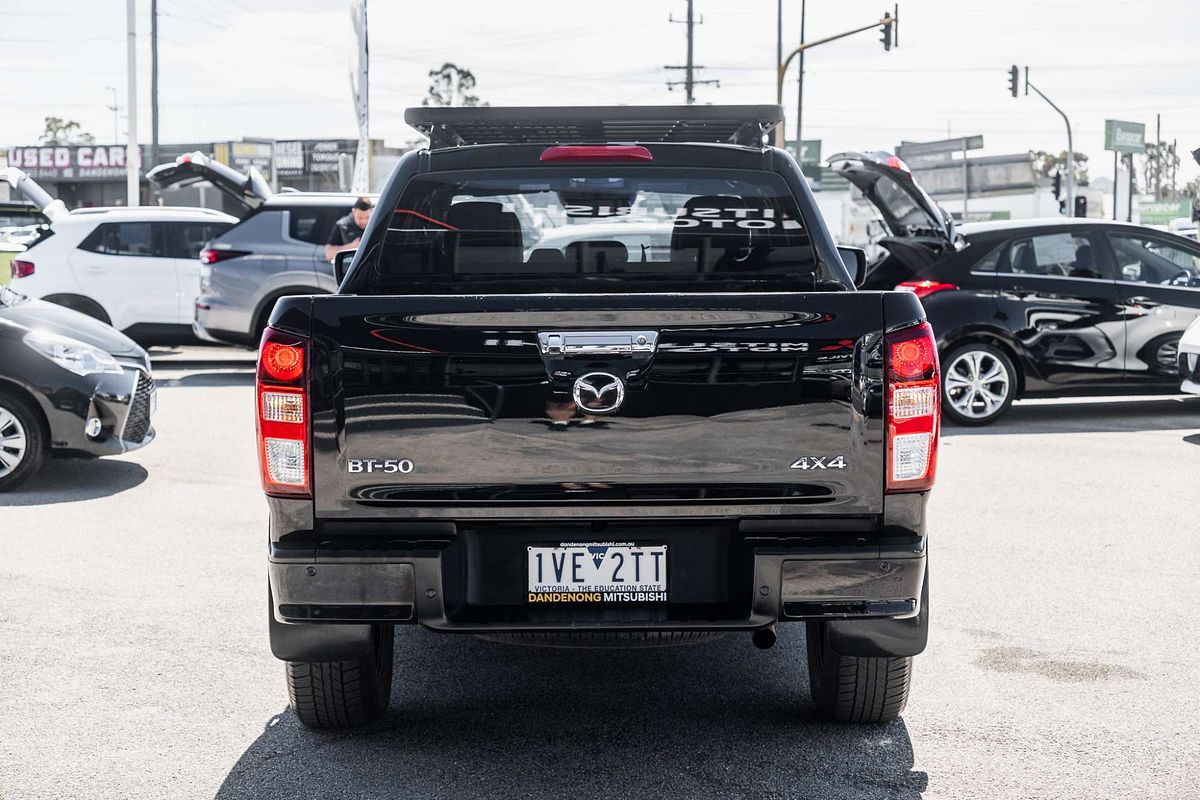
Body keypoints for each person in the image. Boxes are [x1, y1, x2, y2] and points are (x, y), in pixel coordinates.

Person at [325, 196, 373, 262]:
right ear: (353, 212)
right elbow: (328, 254)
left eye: (367, 217)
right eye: (360, 218)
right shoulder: (342, 226)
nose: (363, 221)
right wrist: (352, 246)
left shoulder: (375, 225)